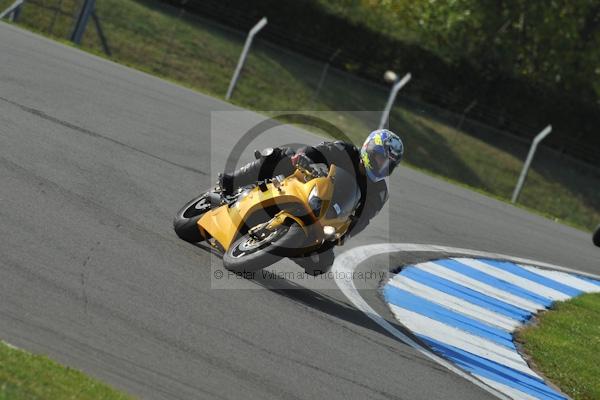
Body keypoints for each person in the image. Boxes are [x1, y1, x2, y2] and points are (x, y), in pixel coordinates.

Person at [219, 129, 404, 272]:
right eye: (380, 158)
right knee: (281, 155)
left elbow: (364, 218)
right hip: (306, 185)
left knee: (323, 262)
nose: (382, 165)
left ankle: (287, 245)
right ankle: (231, 181)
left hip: (325, 215)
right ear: (369, 149)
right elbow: (316, 151)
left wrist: (344, 235)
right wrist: (303, 156)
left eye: (388, 163)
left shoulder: (379, 192)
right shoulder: (345, 150)